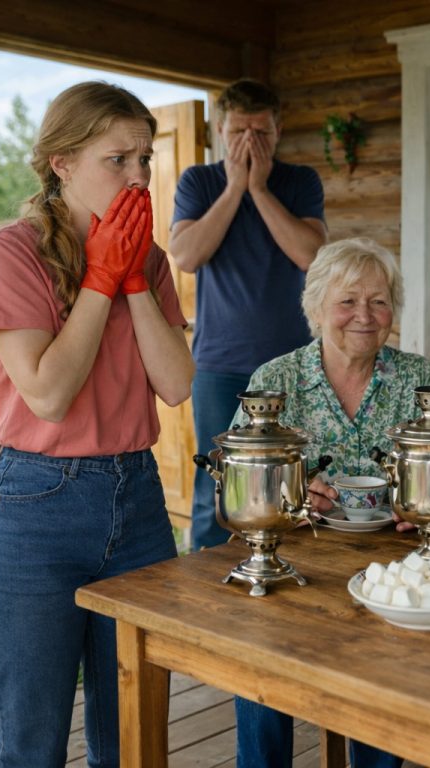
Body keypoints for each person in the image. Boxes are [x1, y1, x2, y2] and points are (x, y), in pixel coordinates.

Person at [0, 82, 195, 766]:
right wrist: (100, 283)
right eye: (117, 159)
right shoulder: (7, 255)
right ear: (62, 163)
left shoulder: (151, 260)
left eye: (145, 158)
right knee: (31, 739)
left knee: (132, 734)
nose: (137, 177)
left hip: (138, 500)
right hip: (37, 507)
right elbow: (47, 392)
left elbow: (177, 384)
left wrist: (132, 279)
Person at [230, 237, 430, 768]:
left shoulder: (422, 381)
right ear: (316, 308)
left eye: (379, 301)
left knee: (382, 677)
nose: (365, 316)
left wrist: (421, 505)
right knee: (258, 660)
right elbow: (239, 488)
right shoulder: (274, 382)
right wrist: (289, 494)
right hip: (294, 564)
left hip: (393, 571)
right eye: (348, 301)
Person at [169, 77, 328, 551]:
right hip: (219, 365)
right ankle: (207, 594)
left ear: (278, 131)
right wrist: (234, 188)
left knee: (292, 483)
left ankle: (281, 576)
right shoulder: (199, 181)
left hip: (293, 366)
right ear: (221, 129)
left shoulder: (299, 181)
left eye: (261, 132)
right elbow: (185, 255)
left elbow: (312, 256)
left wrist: (258, 189)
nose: (249, 142)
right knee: (214, 486)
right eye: (239, 132)